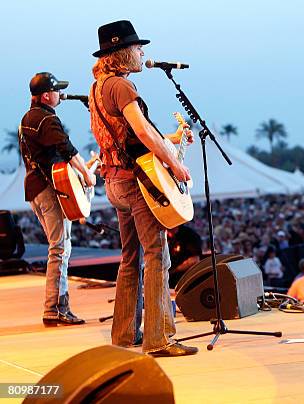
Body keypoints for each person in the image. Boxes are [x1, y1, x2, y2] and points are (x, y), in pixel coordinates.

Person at [90, 20, 197, 357]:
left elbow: (132, 138)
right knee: (157, 257)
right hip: (136, 184)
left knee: (130, 258)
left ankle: (123, 335)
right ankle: (159, 338)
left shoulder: (98, 87)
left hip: (115, 182)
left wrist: (175, 140)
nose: (142, 53)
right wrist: (176, 164)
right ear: (122, 53)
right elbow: (145, 134)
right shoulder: (121, 87)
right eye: (137, 48)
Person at [20, 72, 96, 326]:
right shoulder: (46, 119)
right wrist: (87, 173)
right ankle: (54, 309)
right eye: (56, 90)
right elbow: (67, 149)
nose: (59, 94)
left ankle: (57, 307)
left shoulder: (27, 119)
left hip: (34, 189)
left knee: (60, 246)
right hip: (48, 189)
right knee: (60, 248)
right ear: (45, 96)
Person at [168, 224, 203, 288]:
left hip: (185, 278)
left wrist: (175, 270)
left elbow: (195, 260)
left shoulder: (190, 235)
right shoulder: (165, 235)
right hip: (169, 277)